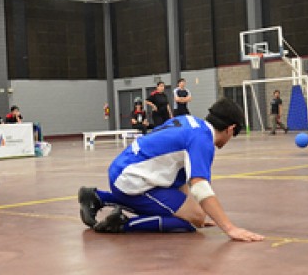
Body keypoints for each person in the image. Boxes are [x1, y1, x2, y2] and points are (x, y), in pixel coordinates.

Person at [77, 98, 264, 242]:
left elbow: (181, 176)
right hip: (131, 180)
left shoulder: (190, 122)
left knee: (195, 216)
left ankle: (98, 196)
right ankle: (122, 224)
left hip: (124, 168)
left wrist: (190, 210)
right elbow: (199, 186)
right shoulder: (203, 140)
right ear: (230, 129)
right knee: (189, 223)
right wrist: (230, 228)